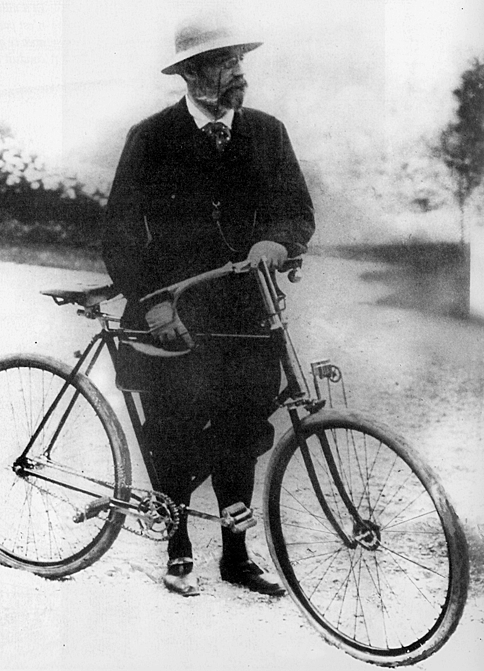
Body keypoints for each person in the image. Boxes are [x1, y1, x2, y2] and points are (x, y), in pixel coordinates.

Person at [102, 12, 315, 597]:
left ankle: (236, 557)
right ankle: (178, 549)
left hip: (249, 313)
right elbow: (121, 233)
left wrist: (278, 241)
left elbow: (296, 210)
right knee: (174, 429)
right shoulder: (151, 138)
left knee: (243, 429)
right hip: (174, 316)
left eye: (240, 60)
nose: (238, 72)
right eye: (225, 63)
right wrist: (153, 304)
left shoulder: (267, 133)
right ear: (191, 73)